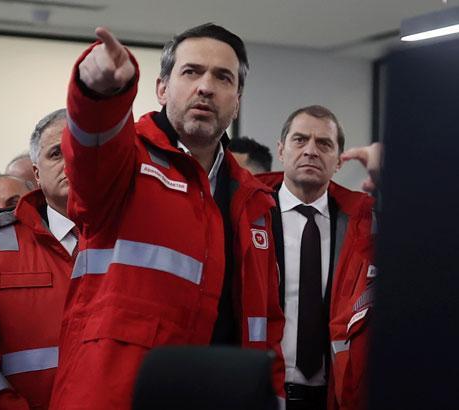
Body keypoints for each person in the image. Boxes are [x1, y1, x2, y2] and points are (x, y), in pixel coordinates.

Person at [51, 24, 285, 409]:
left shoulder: (255, 201)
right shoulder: (125, 161)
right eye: (191, 72)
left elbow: (267, 325)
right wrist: (98, 93)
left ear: (237, 101)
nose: (205, 87)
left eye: (222, 77)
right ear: (161, 88)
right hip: (117, 397)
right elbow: (92, 143)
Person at [257, 105, 375, 410]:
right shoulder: (249, 215)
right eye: (300, 140)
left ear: (338, 161)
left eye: (324, 144)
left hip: (334, 396)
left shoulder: (361, 225)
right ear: (281, 150)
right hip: (261, 391)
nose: (310, 151)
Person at [0, 109, 74, 409]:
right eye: (56, 153)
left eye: (81, 148)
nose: (71, 160)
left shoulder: (136, 239)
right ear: (37, 174)